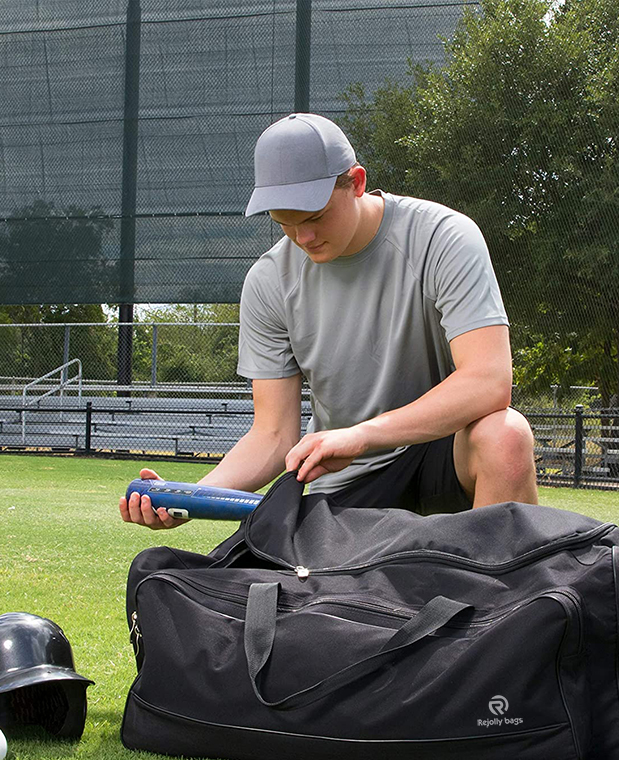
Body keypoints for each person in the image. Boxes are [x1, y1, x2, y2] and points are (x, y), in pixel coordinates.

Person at [120, 112, 537, 530]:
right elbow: (273, 435)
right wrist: (194, 497)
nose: (303, 238)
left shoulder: (443, 237)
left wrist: (362, 435)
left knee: (506, 436)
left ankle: (501, 591)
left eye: (314, 217)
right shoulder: (268, 282)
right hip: (343, 481)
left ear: (355, 182)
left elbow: (488, 381)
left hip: (440, 456)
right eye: (284, 223)